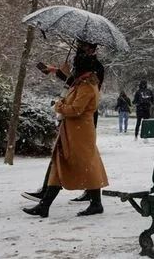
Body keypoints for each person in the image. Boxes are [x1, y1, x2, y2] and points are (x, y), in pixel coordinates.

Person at [23, 48, 109, 218]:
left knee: (86, 165)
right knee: (62, 164)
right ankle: (45, 205)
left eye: (75, 68)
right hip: (72, 131)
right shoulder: (81, 83)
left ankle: (95, 203)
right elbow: (70, 94)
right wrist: (58, 74)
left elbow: (76, 109)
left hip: (79, 133)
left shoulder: (87, 86)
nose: (73, 71)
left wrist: (58, 105)